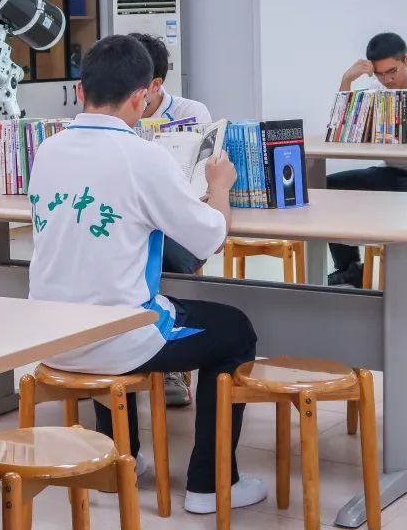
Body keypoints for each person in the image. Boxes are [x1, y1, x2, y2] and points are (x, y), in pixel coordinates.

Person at [27, 34, 267, 514]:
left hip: (50, 336)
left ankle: (122, 460)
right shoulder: (144, 157)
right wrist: (219, 186)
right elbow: (210, 238)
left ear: (80, 90)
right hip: (115, 340)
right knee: (235, 330)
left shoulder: (47, 150)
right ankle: (211, 484)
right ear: (141, 97)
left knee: (104, 299)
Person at [328, 32, 407, 288]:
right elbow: (343, 127)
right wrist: (347, 80)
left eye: (392, 72)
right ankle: (350, 267)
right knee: (330, 186)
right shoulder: (378, 92)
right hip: (391, 171)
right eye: (379, 74)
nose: (387, 80)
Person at [132, 32, 213, 407]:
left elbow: (201, 185)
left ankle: (172, 363)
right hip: (132, 219)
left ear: (156, 84)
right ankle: (109, 350)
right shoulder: (116, 111)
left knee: (168, 259)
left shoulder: (191, 113)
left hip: (176, 224)